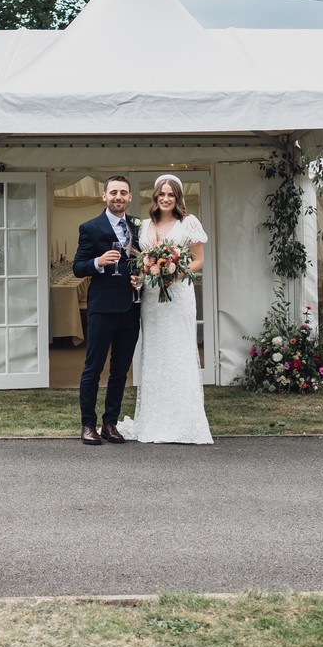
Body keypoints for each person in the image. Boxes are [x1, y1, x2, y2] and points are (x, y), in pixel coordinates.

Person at [119, 174, 213, 444]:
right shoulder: (144, 225)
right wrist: (141, 274)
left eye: (171, 194)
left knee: (179, 352)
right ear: (155, 197)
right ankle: (154, 420)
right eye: (161, 194)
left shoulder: (189, 223)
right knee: (156, 353)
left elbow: (198, 260)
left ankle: (184, 421)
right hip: (151, 297)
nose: (166, 198)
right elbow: (138, 259)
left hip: (178, 295)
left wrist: (176, 273)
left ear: (178, 197)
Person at [72, 175, 142, 446]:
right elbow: (78, 267)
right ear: (104, 196)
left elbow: (142, 261)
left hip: (131, 307)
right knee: (93, 367)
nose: (118, 197)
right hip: (102, 308)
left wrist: (142, 277)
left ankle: (110, 424)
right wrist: (98, 262)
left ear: (130, 197)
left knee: (120, 370)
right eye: (113, 192)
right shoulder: (90, 228)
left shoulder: (138, 226)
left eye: (123, 192)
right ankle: (87, 424)